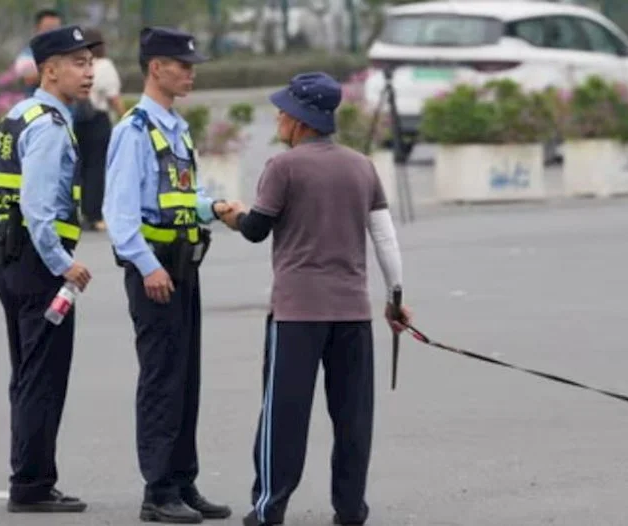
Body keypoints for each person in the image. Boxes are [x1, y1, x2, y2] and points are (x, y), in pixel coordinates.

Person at [219, 72, 412, 526]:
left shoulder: (282, 168)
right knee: (352, 419)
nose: (279, 116)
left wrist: (232, 214)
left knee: (283, 417)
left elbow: (256, 230)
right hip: (352, 314)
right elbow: (385, 240)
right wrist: (395, 299)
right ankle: (349, 510)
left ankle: (269, 509)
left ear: (301, 120)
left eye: (283, 110)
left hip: (296, 315)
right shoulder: (362, 166)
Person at [102, 26, 232, 524]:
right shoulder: (133, 130)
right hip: (154, 272)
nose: (191, 71)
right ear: (156, 67)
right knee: (161, 380)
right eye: (183, 64)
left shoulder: (174, 127)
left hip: (182, 268)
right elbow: (119, 214)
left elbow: (173, 199)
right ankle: (157, 491)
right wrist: (148, 266)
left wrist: (212, 207)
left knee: (185, 379)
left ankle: (183, 480)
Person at [0, 24, 99, 513]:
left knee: (27, 373)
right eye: (78, 63)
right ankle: (31, 484)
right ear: (49, 71)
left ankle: (29, 478)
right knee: (42, 377)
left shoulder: (17, 116)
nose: (89, 71)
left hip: (10, 260)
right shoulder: (50, 126)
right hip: (38, 267)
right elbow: (37, 206)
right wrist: (64, 263)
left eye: (90, 61)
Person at [73, 27, 125, 231]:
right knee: (97, 168)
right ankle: (94, 214)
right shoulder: (104, 66)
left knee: (82, 168)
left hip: (78, 120)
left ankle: (81, 212)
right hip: (98, 120)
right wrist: (126, 117)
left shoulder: (78, 66)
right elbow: (113, 97)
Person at [14, 9, 62, 97]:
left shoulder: (66, 51)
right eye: (48, 28)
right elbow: (29, 77)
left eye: (57, 28)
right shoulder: (28, 55)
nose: (53, 32)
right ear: (37, 29)